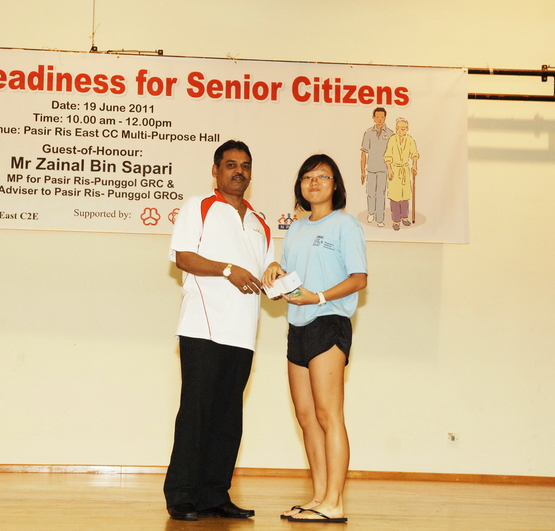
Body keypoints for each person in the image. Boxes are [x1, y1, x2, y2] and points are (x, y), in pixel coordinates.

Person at [164, 140, 276, 521]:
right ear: (216, 170)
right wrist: (228, 270)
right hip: (203, 327)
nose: (239, 171)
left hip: (243, 332)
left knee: (228, 417)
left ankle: (214, 494)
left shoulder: (260, 222)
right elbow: (184, 257)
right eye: (231, 165)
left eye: (245, 165)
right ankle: (182, 494)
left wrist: (277, 278)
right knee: (196, 412)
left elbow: (267, 271)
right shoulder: (198, 206)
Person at [263, 154, 367, 523]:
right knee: (307, 417)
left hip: (329, 322)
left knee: (328, 414)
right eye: (308, 177)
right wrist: (275, 271)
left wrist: (319, 297)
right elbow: (294, 281)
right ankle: (319, 497)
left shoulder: (346, 225)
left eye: (323, 176)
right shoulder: (295, 228)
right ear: (300, 186)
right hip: (298, 325)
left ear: (336, 185)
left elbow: (359, 279)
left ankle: (335, 502)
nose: (314, 182)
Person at [384, 117, 419, 231]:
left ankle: (404, 217)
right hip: (395, 169)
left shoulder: (410, 140)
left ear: (407, 129)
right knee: (395, 197)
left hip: (405, 170)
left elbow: (414, 154)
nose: (400, 131)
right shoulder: (392, 139)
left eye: (403, 129)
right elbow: (388, 156)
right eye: (398, 128)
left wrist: (414, 165)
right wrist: (390, 169)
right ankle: (396, 220)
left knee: (405, 196)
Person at [360, 107, 393, 227]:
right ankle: (371, 212)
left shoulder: (390, 134)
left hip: (383, 170)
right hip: (371, 169)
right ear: (373, 117)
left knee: (381, 194)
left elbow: (392, 154)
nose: (380, 120)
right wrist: (362, 171)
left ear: (385, 118)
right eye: (377, 117)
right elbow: (364, 153)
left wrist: (391, 170)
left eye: (382, 117)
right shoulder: (368, 133)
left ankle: (380, 218)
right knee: (370, 193)